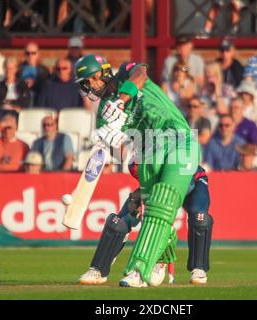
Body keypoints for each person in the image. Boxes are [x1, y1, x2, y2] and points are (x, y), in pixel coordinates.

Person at [74, 54, 200, 287]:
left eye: (92, 79)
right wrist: (113, 139)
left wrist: (121, 100)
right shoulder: (103, 112)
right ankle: (160, 259)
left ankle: (138, 270)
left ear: (103, 72)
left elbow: (140, 73)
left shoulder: (125, 73)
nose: (91, 86)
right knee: (155, 209)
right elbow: (122, 151)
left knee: (163, 203)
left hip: (178, 139)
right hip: (147, 153)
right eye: (86, 84)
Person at [79, 162, 213, 286]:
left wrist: (157, 202)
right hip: (154, 185)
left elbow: (178, 184)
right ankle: (98, 270)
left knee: (200, 219)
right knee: (118, 222)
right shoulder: (137, 159)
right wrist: (142, 197)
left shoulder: (174, 150)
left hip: (191, 180)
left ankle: (198, 268)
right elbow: (146, 180)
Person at [18, 42, 50, 107]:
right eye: (27, 53)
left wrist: (35, 83)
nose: (30, 56)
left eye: (33, 53)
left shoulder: (44, 70)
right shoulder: (18, 69)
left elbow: (47, 87)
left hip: (38, 98)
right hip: (22, 98)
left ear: (38, 54)